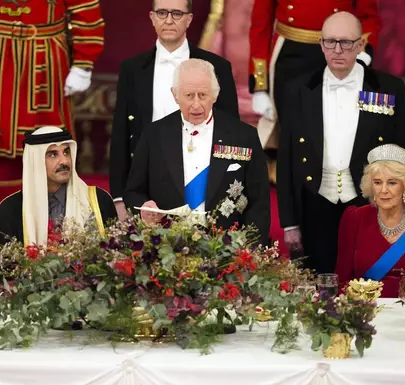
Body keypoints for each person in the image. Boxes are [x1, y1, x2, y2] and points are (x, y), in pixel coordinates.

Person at [277, 12, 405, 274]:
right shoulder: (298, 88)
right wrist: (289, 223)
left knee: (369, 283)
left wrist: (403, 211)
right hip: (315, 203)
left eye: (346, 43)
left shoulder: (388, 88)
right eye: (330, 42)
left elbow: (403, 153)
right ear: (320, 44)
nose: (337, 50)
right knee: (321, 288)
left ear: (361, 45)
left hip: (370, 203)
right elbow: (287, 160)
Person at [0, 0, 105, 194]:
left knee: (51, 145)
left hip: (46, 59)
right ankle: (9, 216)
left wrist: (82, 65)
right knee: (2, 150)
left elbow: (85, 10)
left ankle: (52, 219)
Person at [109, 0, 239, 220]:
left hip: (202, 180)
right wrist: (120, 197)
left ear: (189, 19)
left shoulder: (217, 67)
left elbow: (231, 131)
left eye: (177, 13)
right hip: (147, 182)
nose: (168, 20)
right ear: (152, 17)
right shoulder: (132, 69)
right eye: (162, 13)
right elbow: (121, 133)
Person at [124, 59, 270, 245]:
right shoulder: (154, 135)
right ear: (175, 95)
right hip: (167, 245)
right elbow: (134, 192)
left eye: (202, 95)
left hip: (227, 249)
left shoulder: (243, 136)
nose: (196, 104)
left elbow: (259, 203)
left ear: (215, 95)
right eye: (189, 95)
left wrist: (250, 249)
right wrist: (144, 208)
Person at [248, 0, 380, 184]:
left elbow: (368, 17)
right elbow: (260, 26)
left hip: (338, 53)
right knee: (294, 135)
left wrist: (363, 51)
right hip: (289, 55)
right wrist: (259, 86)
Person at [0, 126, 117, 290]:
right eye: (53, 154)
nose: (64, 161)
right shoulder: (10, 210)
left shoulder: (98, 201)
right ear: (35, 160)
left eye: (66, 152)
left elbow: (115, 267)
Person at [335, 144, 405, 297]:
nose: (383, 190)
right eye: (377, 182)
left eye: (392, 183)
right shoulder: (355, 218)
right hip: (365, 311)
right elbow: (341, 281)